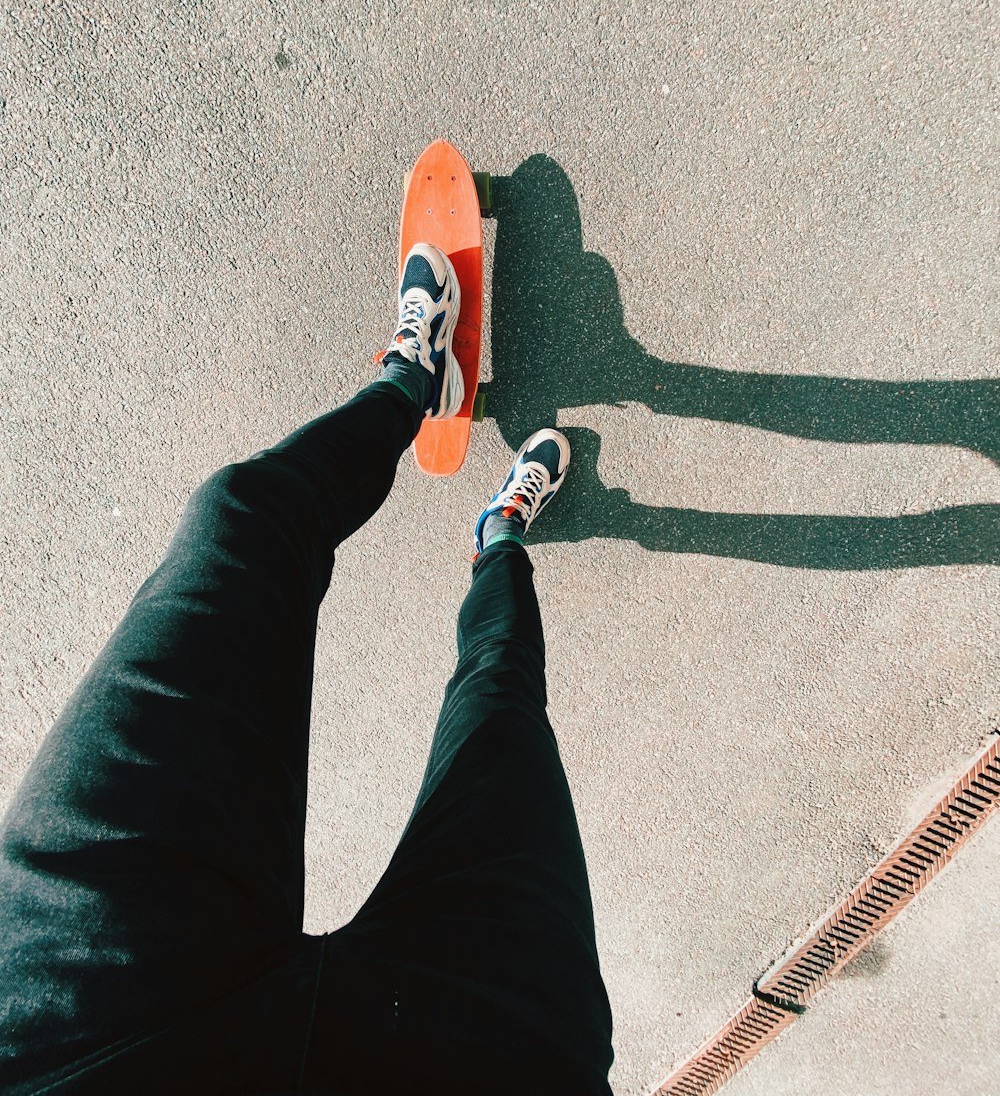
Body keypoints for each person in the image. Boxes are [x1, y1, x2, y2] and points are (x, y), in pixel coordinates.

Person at [0, 243, 615, 1095]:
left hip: (84, 1043)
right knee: (500, 702)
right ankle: (502, 537)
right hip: (475, 1066)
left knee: (241, 524)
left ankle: (409, 381)